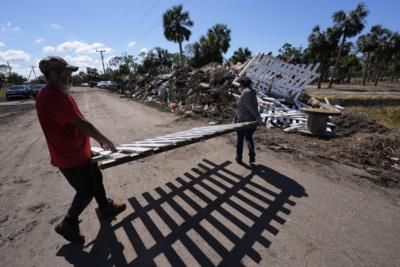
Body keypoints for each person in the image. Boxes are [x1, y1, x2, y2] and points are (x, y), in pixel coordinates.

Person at [36, 56, 126, 244]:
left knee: (96, 176)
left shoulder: (56, 93)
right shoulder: (52, 96)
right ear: (53, 74)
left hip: (77, 150)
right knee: (86, 191)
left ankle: (104, 207)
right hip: (70, 156)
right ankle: (68, 223)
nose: (70, 77)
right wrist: (104, 139)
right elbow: (81, 123)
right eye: (67, 73)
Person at [234, 76, 262, 165]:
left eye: (240, 85)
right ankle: (252, 154)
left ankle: (239, 157)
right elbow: (254, 106)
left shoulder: (245, 93)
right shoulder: (253, 92)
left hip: (243, 120)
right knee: (249, 138)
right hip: (252, 121)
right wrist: (257, 117)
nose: (239, 87)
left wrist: (258, 117)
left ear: (242, 85)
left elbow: (249, 107)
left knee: (240, 139)